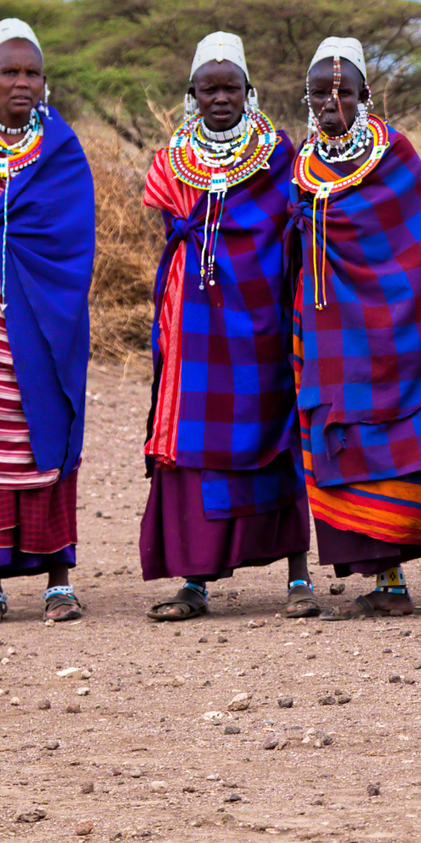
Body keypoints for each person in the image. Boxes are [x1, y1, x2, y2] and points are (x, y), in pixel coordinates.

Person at [139, 31, 316, 621]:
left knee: (274, 430)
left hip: (261, 317)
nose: (221, 98)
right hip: (191, 322)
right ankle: (195, 580)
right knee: (193, 439)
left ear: (250, 92)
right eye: (209, 89)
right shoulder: (171, 160)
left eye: (231, 88)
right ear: (191, 93)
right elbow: (174, 224)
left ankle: (297, 575)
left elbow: (286, 232)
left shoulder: (278, 156)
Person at [289, 36, 421, 616]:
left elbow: (413, 248)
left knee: (401, 437)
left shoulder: (395, 155)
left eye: (341, 92)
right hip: (326, 328)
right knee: (342, 439)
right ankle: (387, 582)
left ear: (366, 94)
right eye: (318, 93)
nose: (329, 102)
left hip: (392, 320)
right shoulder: (302, 163)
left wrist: (389, 304)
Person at [0, 19, 94, 625]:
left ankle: (58, 580)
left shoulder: (60, 150)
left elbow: (71, 241)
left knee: (46, 427)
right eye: (9, 71)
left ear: (46, 80)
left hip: (44, 317)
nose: (21, 82)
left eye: (32, 72)